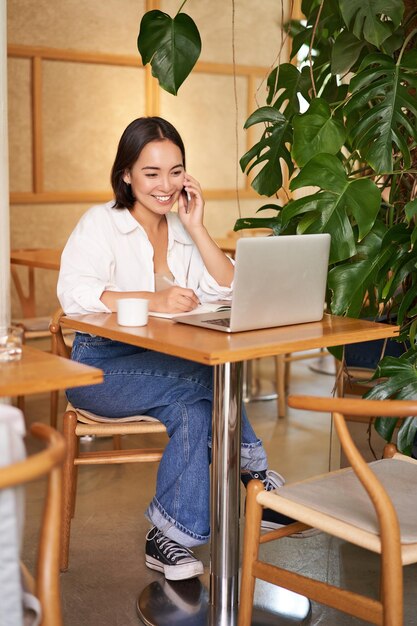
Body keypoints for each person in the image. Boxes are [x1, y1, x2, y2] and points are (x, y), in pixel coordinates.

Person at [58, 116, 301, 582]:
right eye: (151, 173)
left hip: (165, 368)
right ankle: (256, 477)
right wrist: (152, 300)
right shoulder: (100, 224)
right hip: (98, 369)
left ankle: (170, 535)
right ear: (126, 174)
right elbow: (73, 295)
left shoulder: (182, 228)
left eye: (176, 171)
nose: (165, 185)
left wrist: (198, 224)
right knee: (207, 374)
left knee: (193, 408)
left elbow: (229, 289)